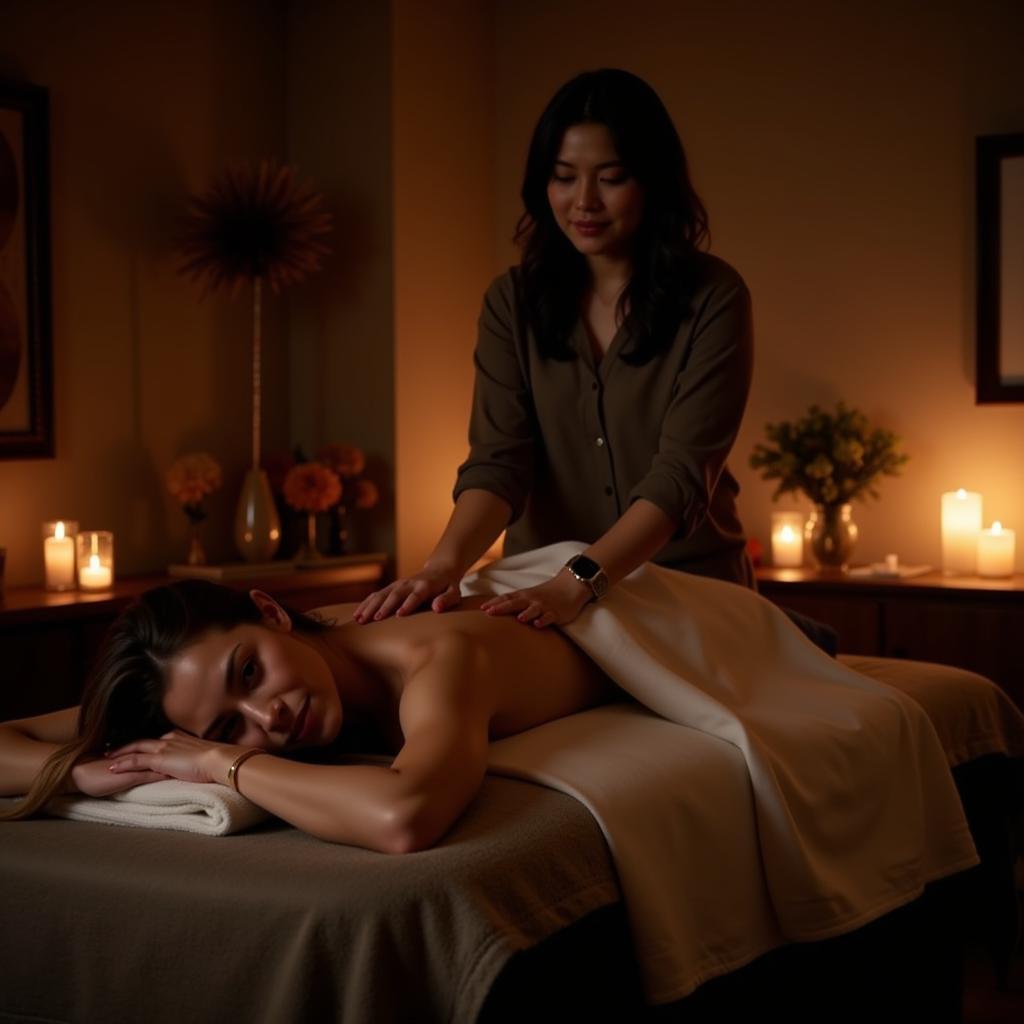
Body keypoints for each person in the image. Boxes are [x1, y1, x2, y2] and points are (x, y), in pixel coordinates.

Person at [355, 68, 753, 631]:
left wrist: (578, 583)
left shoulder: (714, 297)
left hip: (682, 587)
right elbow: (499, 463)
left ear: (652, 182)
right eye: (563, 177)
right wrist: (443, 566)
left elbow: (680, 477)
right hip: (537, 579)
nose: (584, 201)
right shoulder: (511, 302)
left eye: (611, 178)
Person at [0, 579, 620, 851]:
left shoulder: (438, 658)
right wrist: (80, 772)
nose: (266, 717)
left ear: (271, 611)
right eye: (226, 724)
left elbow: (404, 817)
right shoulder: (207, 688)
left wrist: (223, 759)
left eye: (248, 672)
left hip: (629, 612)